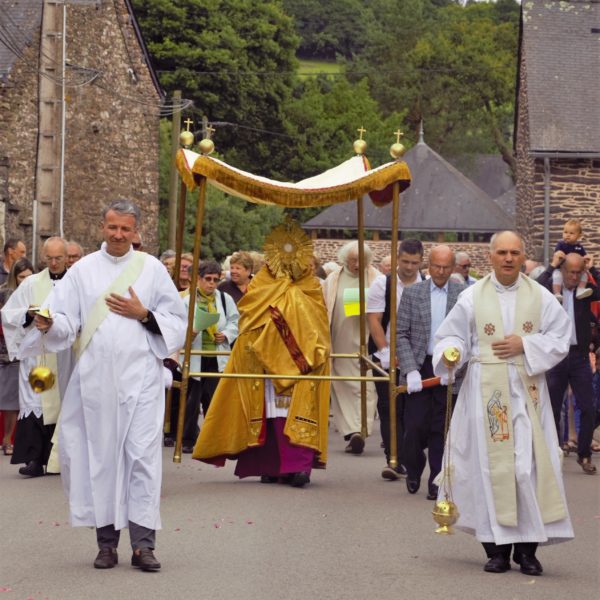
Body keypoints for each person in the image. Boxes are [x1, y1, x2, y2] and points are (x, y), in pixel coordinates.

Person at [22, 200, 186, 571]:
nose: (118, 234)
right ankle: (107, 545)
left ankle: (143, 546)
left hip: (142, 382)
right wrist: (50, 323)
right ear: (102, 227)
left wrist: (144, 315)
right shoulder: (82, 272)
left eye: (126, 228)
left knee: (142, 459)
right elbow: (66, 320)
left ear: (136, 231)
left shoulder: (152, 269)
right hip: (96, 383)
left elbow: (177, 320)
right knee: (101, 460)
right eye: (113, 227)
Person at [433, 230, 573, 576]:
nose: (508, 258)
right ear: (490, 257)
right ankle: (495, 549)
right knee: (487, 468)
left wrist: (525, 345)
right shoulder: (471, 297)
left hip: (527, 392)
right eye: (502, 252)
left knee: (526, 467)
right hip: (484, 393)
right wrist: (451, 352)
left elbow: (562, 336)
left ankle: (527, 551)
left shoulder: (540, 296)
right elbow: (452, 334)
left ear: (523, 256)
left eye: (514, 252)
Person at [192, 221, 330, 488]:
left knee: (294, 414)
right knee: (269, 415)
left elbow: (319, 328)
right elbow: (249, 321)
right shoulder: (261, 287)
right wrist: (264, 340)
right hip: (264, 363)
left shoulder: (311, 288)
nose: (287, 266)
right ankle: (271, 466)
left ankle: (298, 467)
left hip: (301, 364)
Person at [397, 245, 464, 500]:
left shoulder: (462, 294)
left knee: (441, 427)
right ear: (429, 265)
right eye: (436, 266)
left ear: (453, 267)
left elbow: (468, 335)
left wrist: (457, 365)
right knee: (414, 426)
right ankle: (414, 467)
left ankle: (437, 479)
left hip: (448, 367)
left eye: (446, 267)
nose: (441, 271)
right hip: (420, 365)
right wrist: (410, 369)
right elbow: (401, 334)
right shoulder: (413, 293)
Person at [1, 238, 72, 477]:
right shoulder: (32, 283)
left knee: (64, 402)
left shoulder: (75, 283)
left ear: (66, 257)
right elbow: (9, 313)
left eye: (58, 258)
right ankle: (34, 459)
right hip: (38, 354)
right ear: (43, 256)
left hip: (64, 355)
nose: (53, 263)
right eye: (49, 258)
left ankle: (59, 459)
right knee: (36, 402)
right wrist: (28, 314)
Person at [536, 252, 600, 473]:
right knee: (553, 407)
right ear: (562, 271)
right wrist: (551, 266)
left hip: (579, 355)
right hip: (555, 356)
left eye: (578, 272)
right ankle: (553, 453)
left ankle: (584, 454)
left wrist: (592, 270)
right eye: (570, 272)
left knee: (588, 406)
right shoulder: (551, 290)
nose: (574, 276)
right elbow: (535, 286)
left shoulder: (585, 292)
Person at [367, 239, 424, 480]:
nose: (409, 267)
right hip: (386, 354)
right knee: (388, 407)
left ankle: (410, 455)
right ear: (397, 258)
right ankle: (394, 459)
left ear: (421, 261)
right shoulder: (383, 284)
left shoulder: (426, 284)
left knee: (412, 410)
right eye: (405, 261)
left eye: (414, 262)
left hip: (417, 356)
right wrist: (385, 352)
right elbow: (374, 320)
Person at [323, 241, 379, 454]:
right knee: (342, 385)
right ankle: (351, 431)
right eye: (353, 260)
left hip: (366, 338)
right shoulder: (333, 279)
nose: (357, 265)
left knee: (366, 385)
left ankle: (361, 429)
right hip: (340, 339)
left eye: (361, 260)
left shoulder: (376, 278)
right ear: (345, 259)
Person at [182, 260, 239, 453]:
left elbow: (234, 321)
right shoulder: (187, 301)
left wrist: (227, 334)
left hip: (216, 355)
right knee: (192, 400)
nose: (212, 284)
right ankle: (188, 438)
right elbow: (178, 325)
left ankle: (214, 439)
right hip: (195, 355)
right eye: (208, 279)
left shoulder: (224, 299)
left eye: (215, 280)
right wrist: (191, 332)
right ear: (198, 279)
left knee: (214, 400)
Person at [0, 258, 34, 455]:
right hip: (4, 350)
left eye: (29, 276)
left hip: (22, 353)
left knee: (13, 401)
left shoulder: (37, 293)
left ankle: (8, 440)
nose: (25, 281)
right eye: (22, 277)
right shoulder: (5, 293)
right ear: (15, 277)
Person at [551, 219, 591, 301]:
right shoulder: (561, 245)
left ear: (579, 236)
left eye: (571, 233)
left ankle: (580, 289)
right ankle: (557, 293)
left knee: (585, 275)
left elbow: (583, 257)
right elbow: (557, 255)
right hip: (561, 269)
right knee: (556, 276)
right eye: (565, 232)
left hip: (576, 269)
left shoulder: (579, 247)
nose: (568, 235)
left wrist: (585, 260)